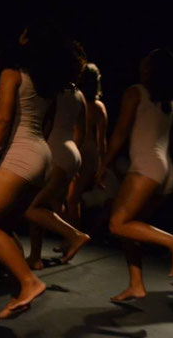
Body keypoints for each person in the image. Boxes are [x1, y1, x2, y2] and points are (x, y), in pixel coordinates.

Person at [0, 23, 74, 319]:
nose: (19, 35)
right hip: (41, 154)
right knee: (3, 226)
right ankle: (19, 290)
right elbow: (46, 122)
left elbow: (1, 124)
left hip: (22, 154)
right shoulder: (47, 82)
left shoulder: (12, 74)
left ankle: (29, 282)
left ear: (28, 41)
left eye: (24, 33)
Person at [96, 49, 173, 302]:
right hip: (166, 170)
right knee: (130, 227)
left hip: (146, 167)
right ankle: (136, 284)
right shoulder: (169, 101)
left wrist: (103, 164)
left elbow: (120, 133)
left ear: (150, 69)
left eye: (145, 62)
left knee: (117, 224)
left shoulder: (136, 92)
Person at [25, 41, 91, 270]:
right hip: (72, 152)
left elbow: (45, 124)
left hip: (56, 152)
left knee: (32, 208)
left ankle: (73, 235)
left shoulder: (52, 92)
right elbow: (81, 131)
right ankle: (37, 256)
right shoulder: (79, 95)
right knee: (47, 205)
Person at [64, 63, 108, 230]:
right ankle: (71, 234)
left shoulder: (75, 100)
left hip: (75, 150)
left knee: (71, 199)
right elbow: (101, 141)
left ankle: (73, 236)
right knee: (70, 198)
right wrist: (102, 166)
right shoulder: (99, 107)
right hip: (88, 153)